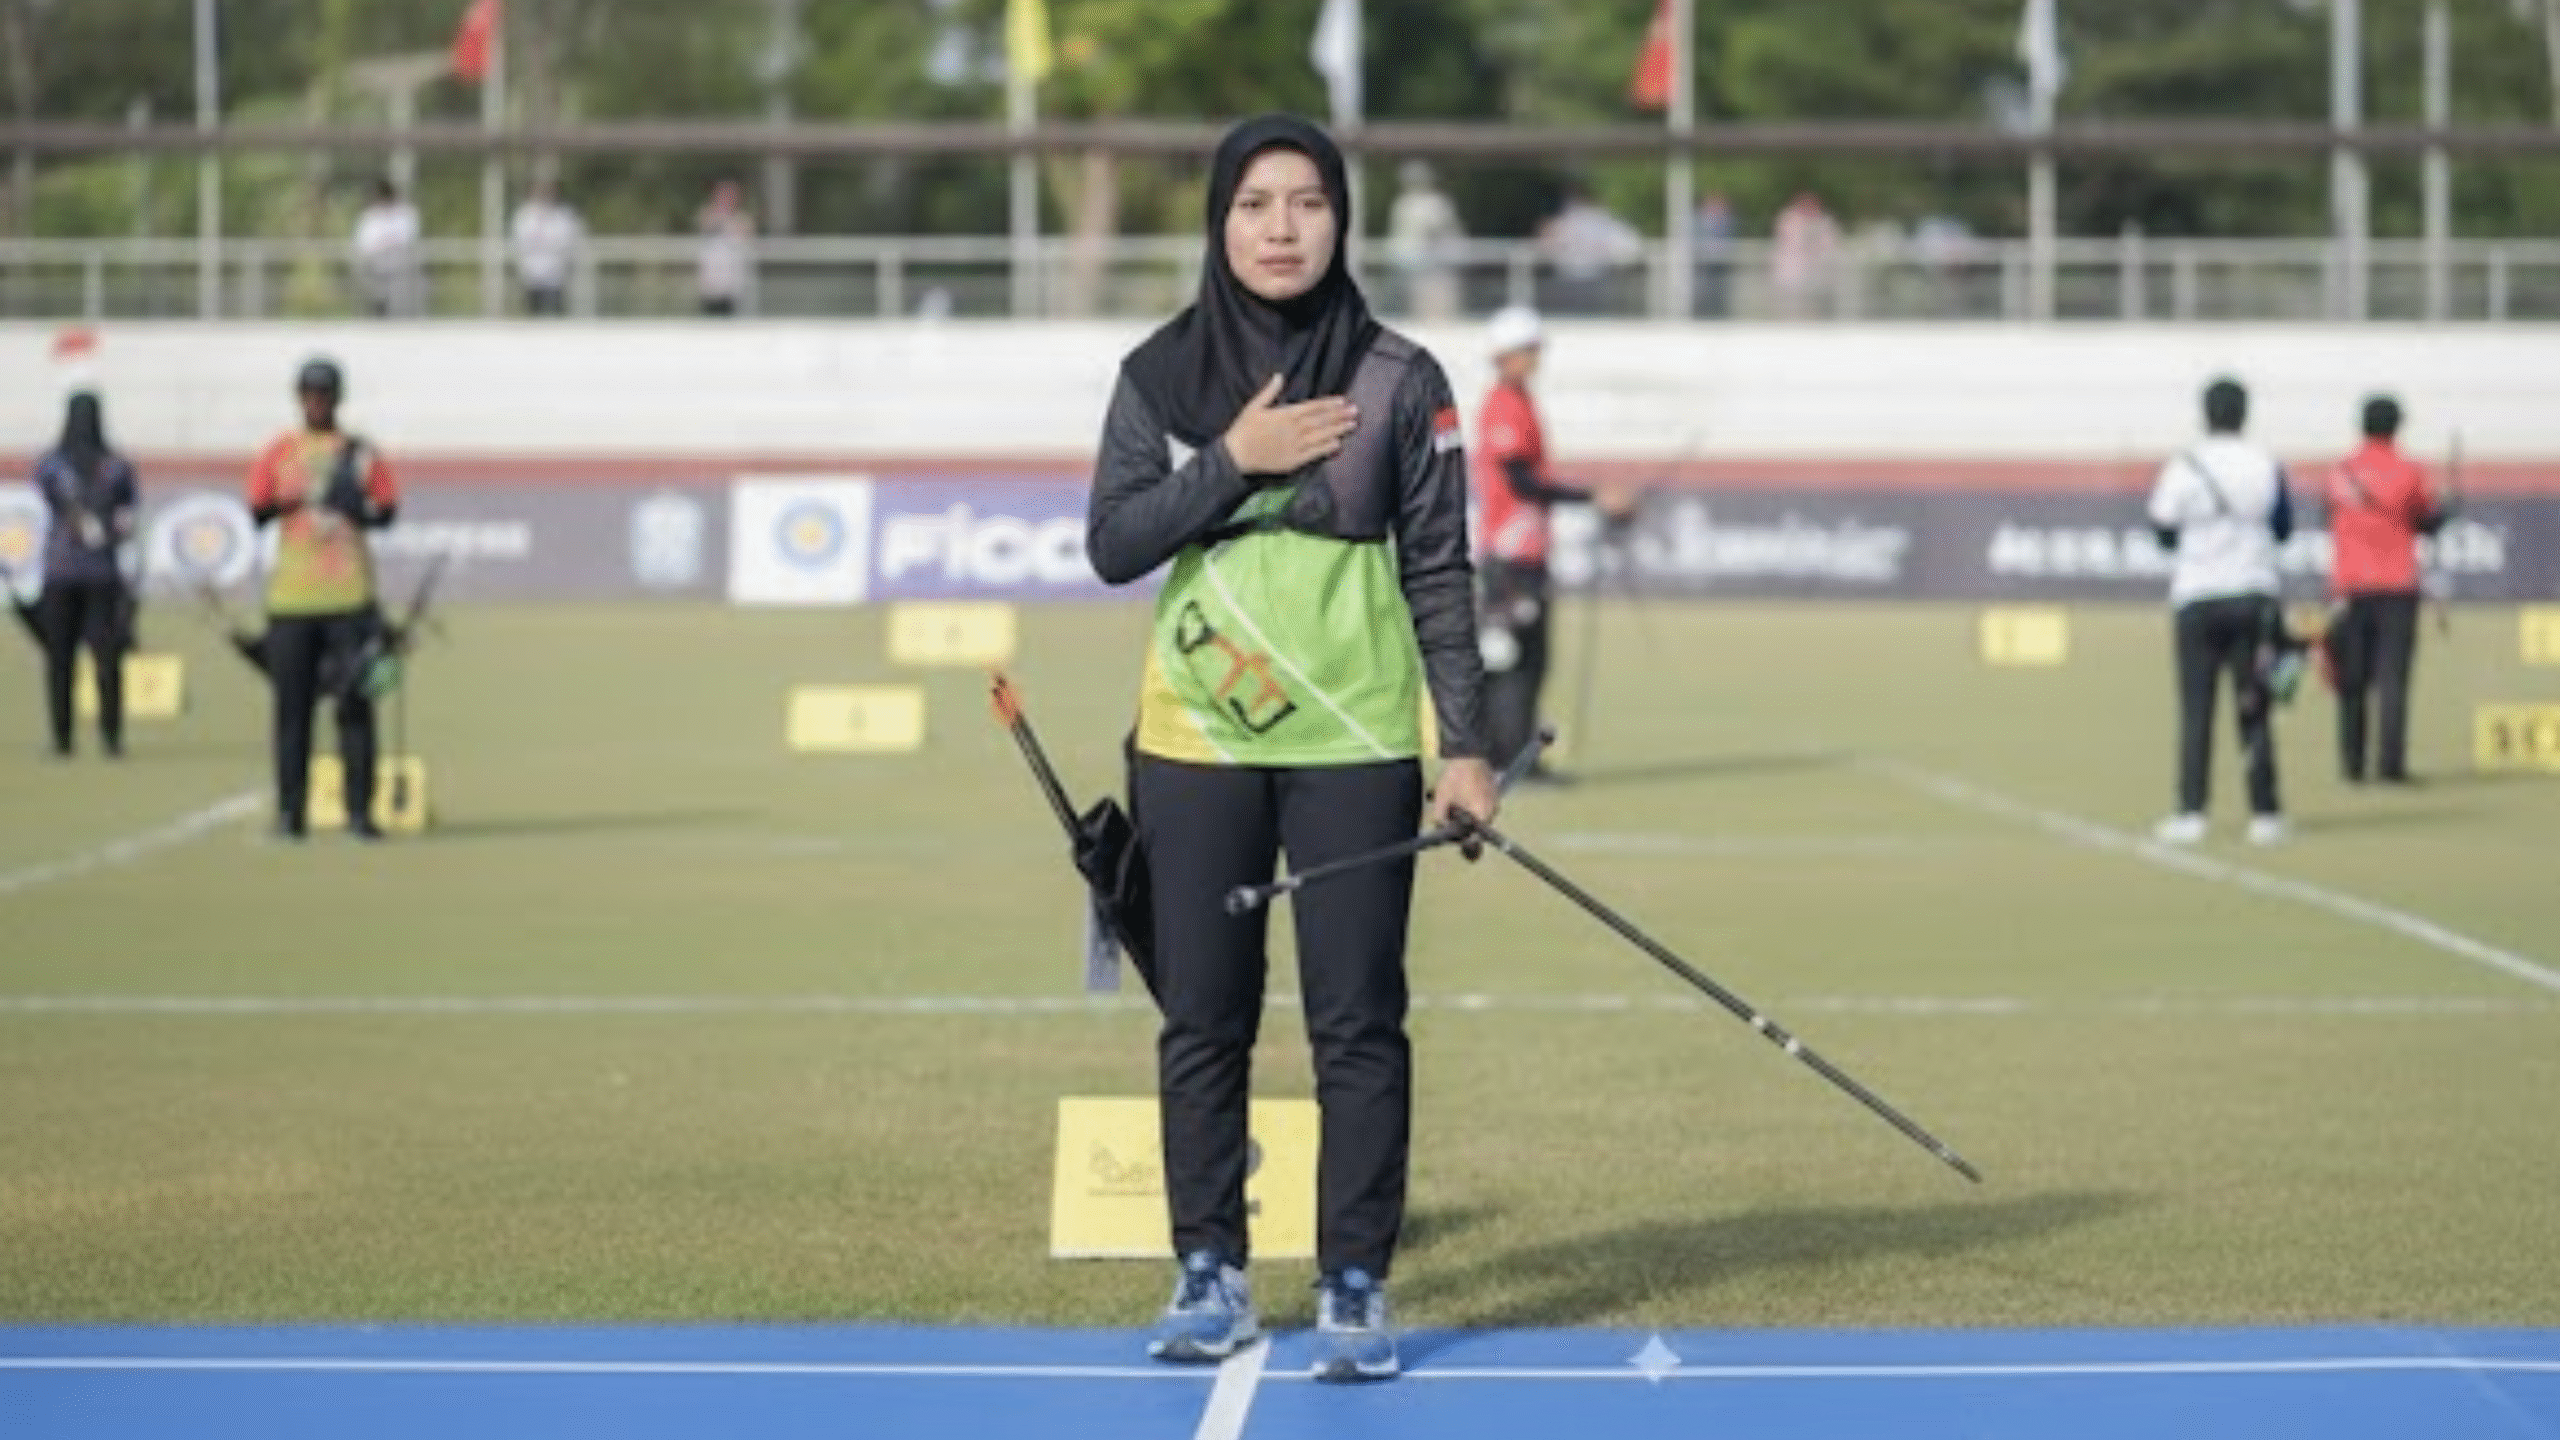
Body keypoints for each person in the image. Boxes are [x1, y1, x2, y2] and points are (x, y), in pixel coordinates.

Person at [1084, 113, 1495, 1384]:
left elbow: (1439, 568)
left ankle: (1354, 1281)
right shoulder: (1156, 373)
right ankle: (1208, 1269)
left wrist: (1465, 747)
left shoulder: (1401, 378)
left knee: (1359, 1021)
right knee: (1202, 1017)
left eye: (1307, 202)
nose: (1280, 228)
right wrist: (1233, 459)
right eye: (1254, 204)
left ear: (1340, 219)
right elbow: (1113, 542)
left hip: (1357, 739)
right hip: (1194, 738)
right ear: (1219, 222)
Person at [1470, 305, 1636, 780]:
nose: (1535, 357)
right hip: (1509, 555)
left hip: (1528, 553)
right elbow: (1520, 480)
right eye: (1528, 349)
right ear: (1505, 355)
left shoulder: (1520, 401)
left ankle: (1520, 758)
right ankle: (1506, 763)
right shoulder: (1504, 404)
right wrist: (1592, 497)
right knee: (1512, 659)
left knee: (1531, 659)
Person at [246, 358, 401, 842]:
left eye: (324, 394)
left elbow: (386, 512)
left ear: (337, 399)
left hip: (350, 597)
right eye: (309, 394)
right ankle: (291, 815)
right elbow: (257, 510)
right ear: (299, 399)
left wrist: (356, 508)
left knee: (355, 707)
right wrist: (293, 501)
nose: (316, 402)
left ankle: (360, 813)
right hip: (291, 601)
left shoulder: (361, 454)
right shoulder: (280, 451)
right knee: (292, 711)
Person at [2146, 377, 2295, 847]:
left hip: (2197, 596)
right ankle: (2265, 814)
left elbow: (2162, 531)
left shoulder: (2184, 465)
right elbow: (2284, 526)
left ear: (2204, 414)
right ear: (2245, 414)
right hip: (2253, 593)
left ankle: (2191, 812)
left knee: (2197, 708)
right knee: (2254, 707)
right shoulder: (2265, 463)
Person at [2324, 394, 2444, 785]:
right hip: (2397, 585)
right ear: (2397, 427)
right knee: (2393, 679)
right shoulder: (2410, 471)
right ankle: (2390, 765)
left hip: (2349, 586)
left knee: (2351, 680)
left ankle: (2352, 765)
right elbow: (2425, 519)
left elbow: (2330, 514)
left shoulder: (2340, 471)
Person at [29, 391, 138, 759]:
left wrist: (110, 527)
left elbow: (126, 514)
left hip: (76, 573)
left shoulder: (65, 464)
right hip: (85, 573)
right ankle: (99, 737)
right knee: (87, 658)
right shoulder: (103, 466)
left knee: (77, 659)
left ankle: (76, 737)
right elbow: (121, 513)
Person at [1534, 181, 1641, 317]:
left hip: (1591, 281)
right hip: (1575, 281)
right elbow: (1632, 247)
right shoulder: (1565, 221)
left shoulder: (1600, 221)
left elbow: (1632, 248)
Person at [1384, 159, 1465, 323]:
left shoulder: (1436, 202)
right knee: (1415, 299)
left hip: (1434, 262)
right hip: (1409, 261)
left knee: (1434, 297)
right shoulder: (1403, 203)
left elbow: (1445, 230)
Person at [509, 178, 585, 316]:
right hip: (531, 276)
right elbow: (519, 242)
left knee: (555, 317)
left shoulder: (563, 216)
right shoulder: (524, 216)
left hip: (555, 278)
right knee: (531, 316)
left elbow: (568, 241)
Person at [351, 179, 423, 318]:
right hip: (375, 265)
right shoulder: (370, 217)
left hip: (400, 265)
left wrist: (387, 244)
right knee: (371, 279)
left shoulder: (405, 214)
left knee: (402, 278)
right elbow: (363, 244)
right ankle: (378, 308)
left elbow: (408, 239)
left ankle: (400, 312)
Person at [695, 179, 757, 317]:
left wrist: (727, 221)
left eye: (730, 195)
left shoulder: (743, 218)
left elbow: (744, 235)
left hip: (732, 286)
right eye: (722, 194)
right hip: (710, 285)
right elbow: (706, 225)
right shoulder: (706, 214)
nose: (726, 199)